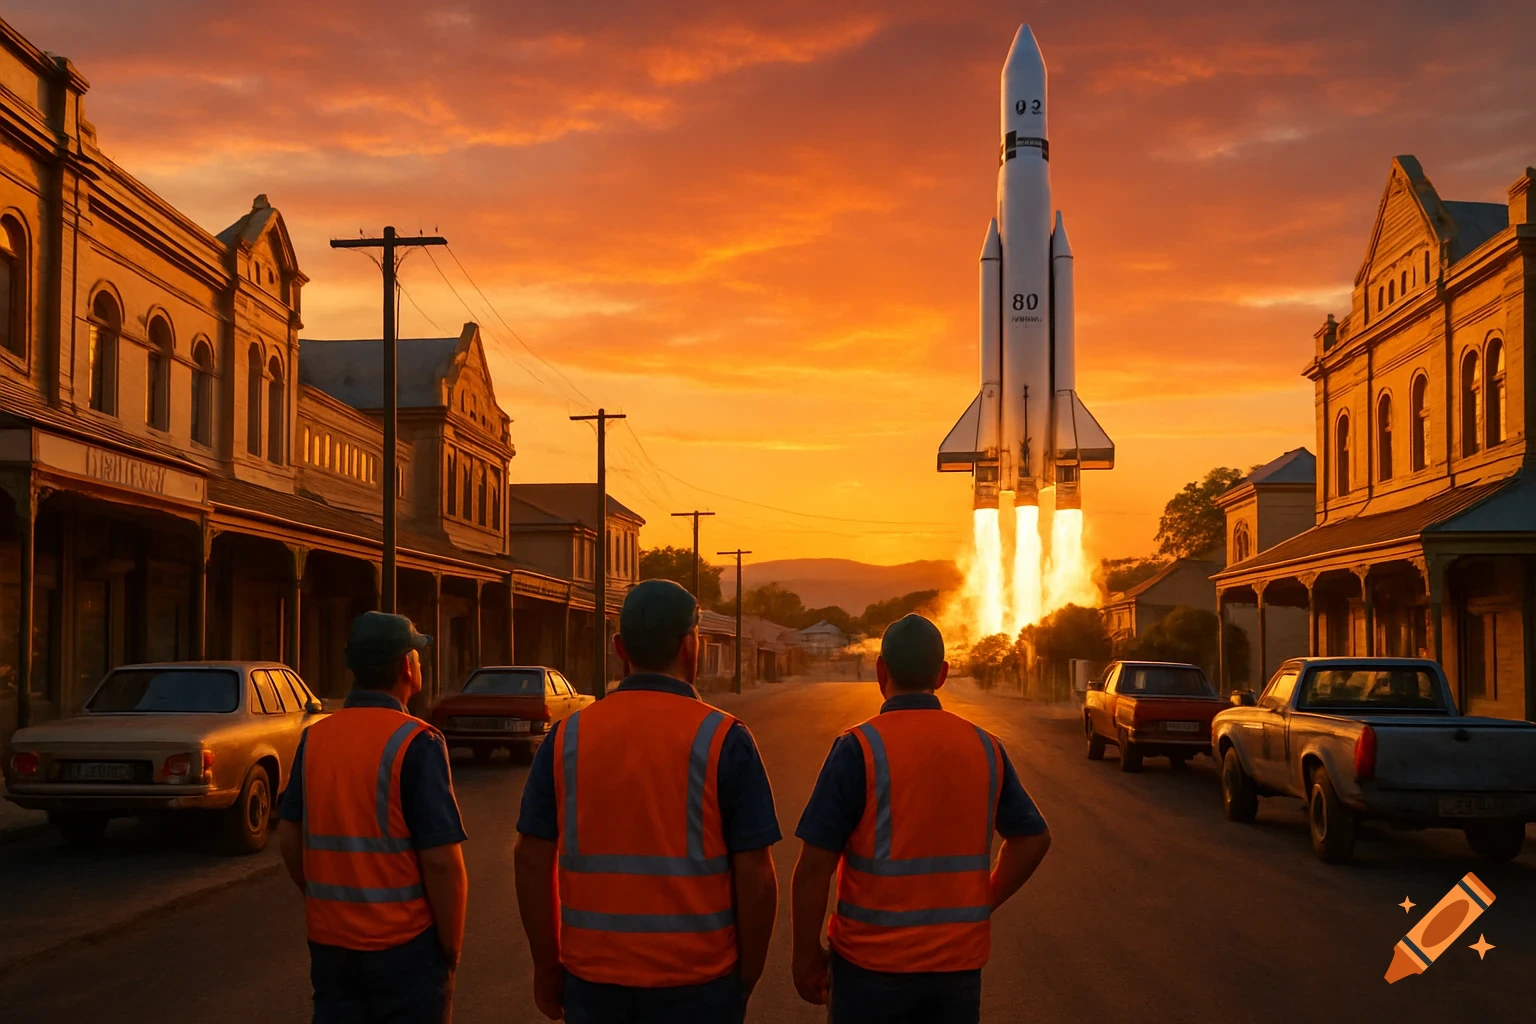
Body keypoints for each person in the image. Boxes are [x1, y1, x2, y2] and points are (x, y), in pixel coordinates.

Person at [514, 579, 781, 1023]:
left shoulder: (567, 737)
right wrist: (745, 977)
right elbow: (757, 876)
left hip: (595, 982)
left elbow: (530, 860)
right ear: (689, 646)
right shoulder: (724, 738)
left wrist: (546, 966)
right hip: (699, 983)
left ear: (620, 648)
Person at [790, 613, 1053, 1023]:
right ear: (943, 674)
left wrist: (805, 954)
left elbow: (813, 867)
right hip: (956, 970)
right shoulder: (985, 747)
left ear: (881, 670)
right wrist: (984, 899)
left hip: (870, 968)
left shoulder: (858, 748)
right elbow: (1033, 838)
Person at [277, 612, 470, 1024]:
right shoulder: (417, 741)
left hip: (331, 945)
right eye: (417, 654)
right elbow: (441, 863)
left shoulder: (317, 737)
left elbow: (290, 837)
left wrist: (322, 897)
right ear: (406, 666)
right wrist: (450, 949)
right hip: (403, 949)